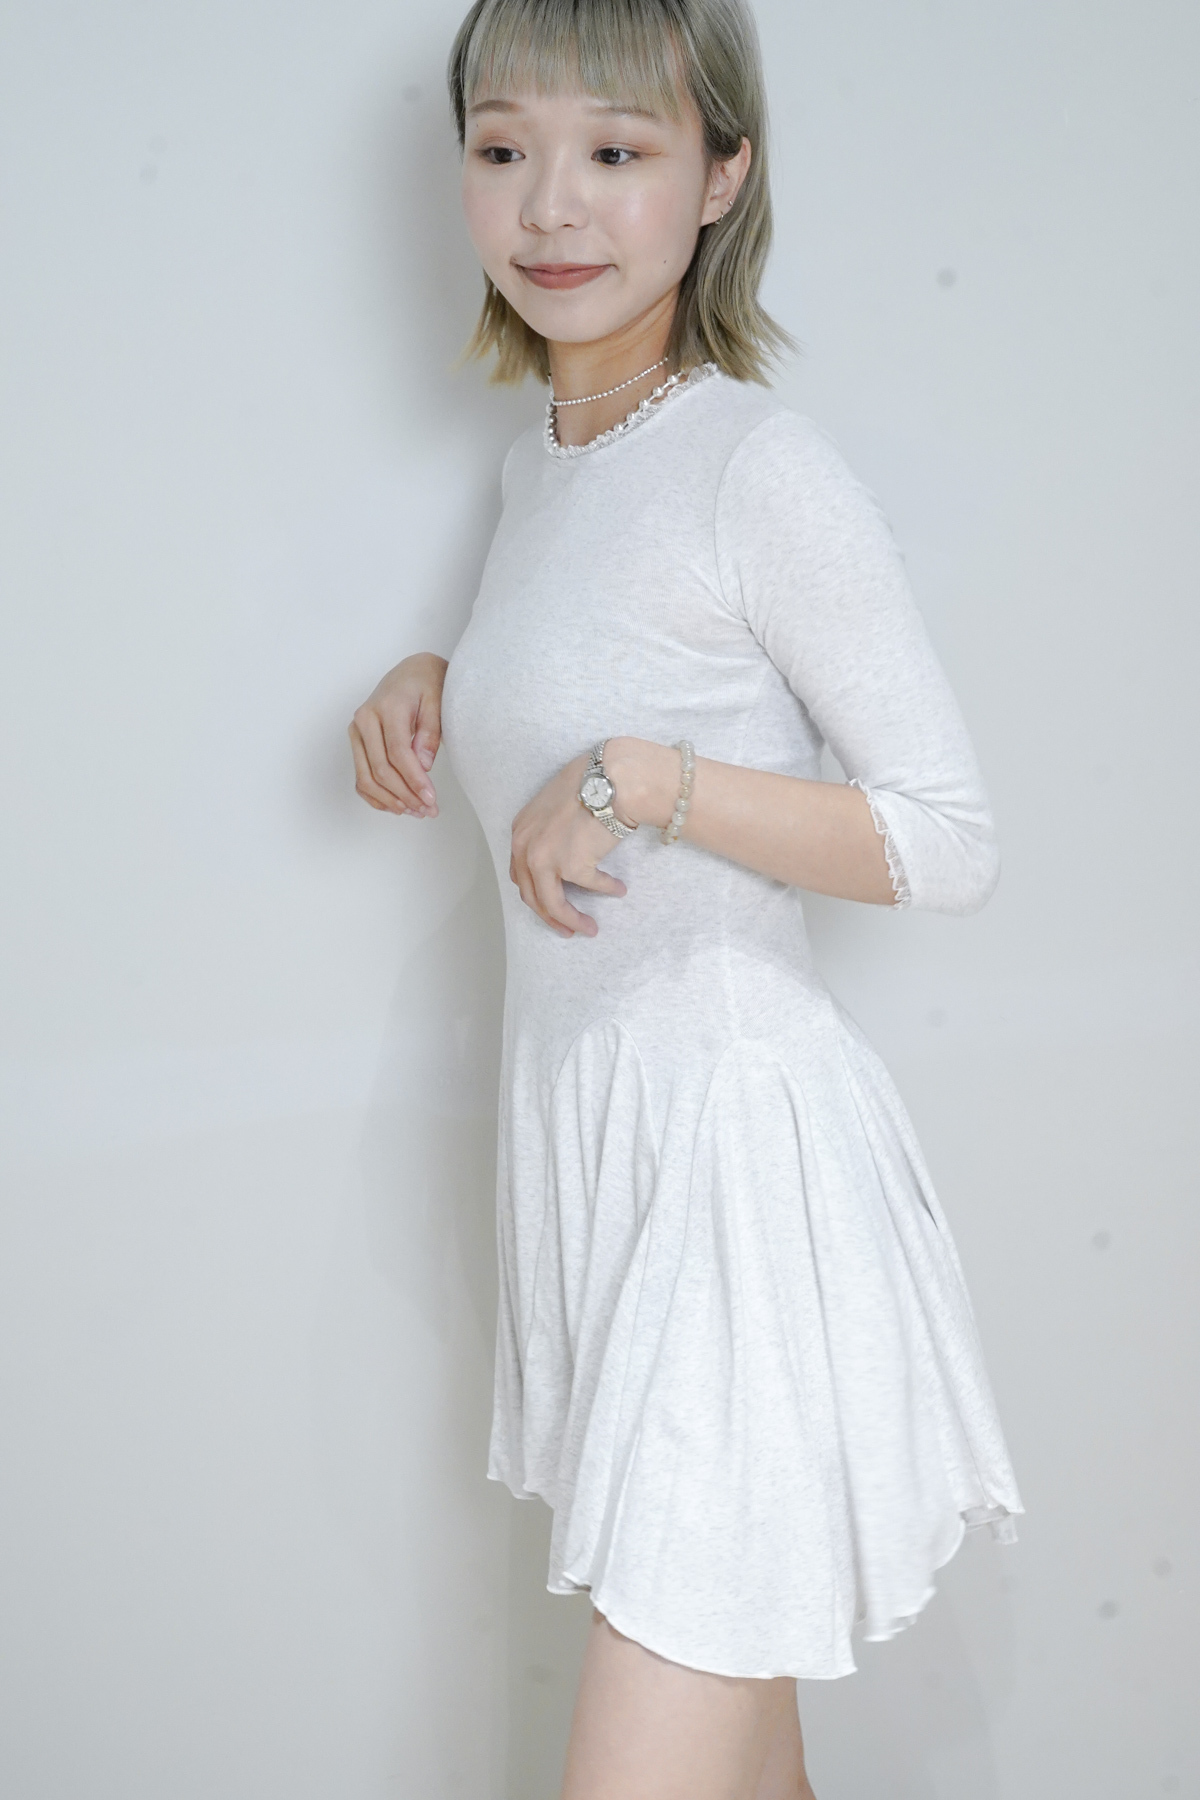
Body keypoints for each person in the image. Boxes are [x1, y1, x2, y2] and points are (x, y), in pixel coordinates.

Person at [349, 2, 1023, 1794]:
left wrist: (650, 780)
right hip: (610, 1181)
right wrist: (446, 683)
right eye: (504, 148)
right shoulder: (541, 471)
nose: (552, 205)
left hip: (735, 1186)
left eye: (618, 151)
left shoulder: (756, 466)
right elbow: (607, 656)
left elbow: (947, 838)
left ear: (722, 176)